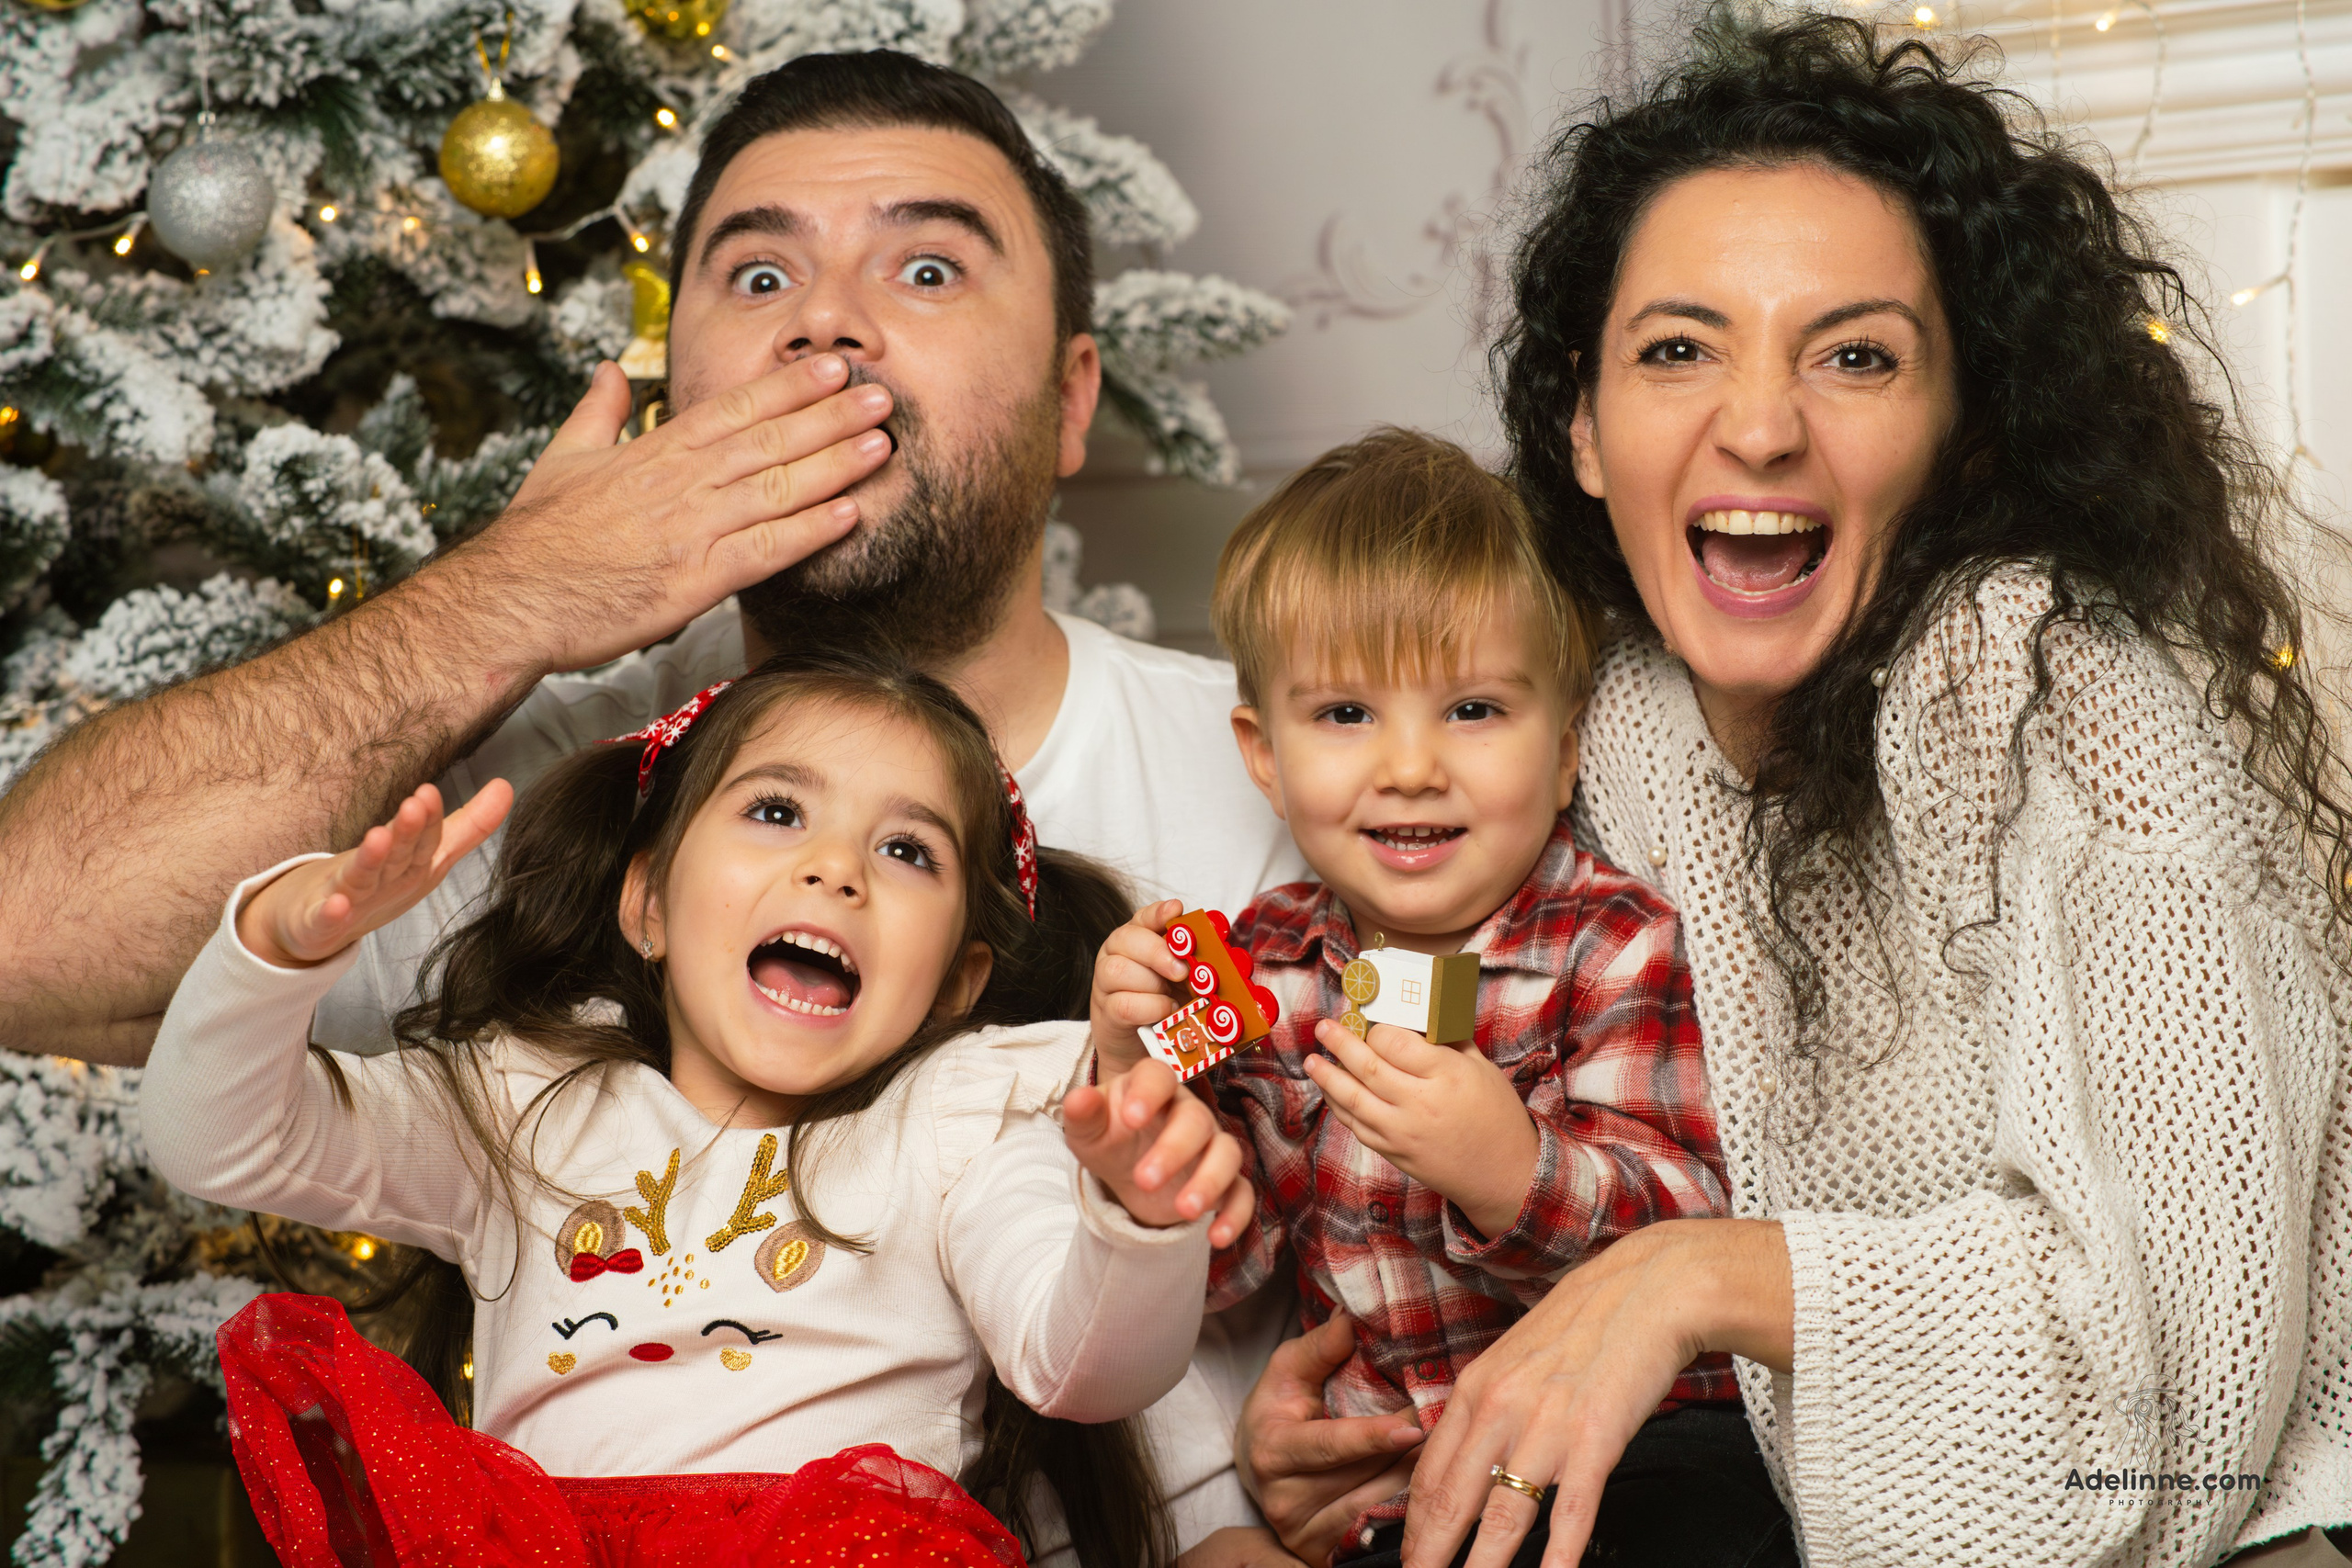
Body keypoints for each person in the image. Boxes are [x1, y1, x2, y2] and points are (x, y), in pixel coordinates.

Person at [0, 48, 1305, 1565]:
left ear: (1075, 398)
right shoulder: (557, 796)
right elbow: (32, 936)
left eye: (929, 265)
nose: (825, 322)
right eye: (759, 278)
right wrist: (506, 599)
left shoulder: (1283, 776)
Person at [1231, 13, 2352, 1568]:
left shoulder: (2051, 683)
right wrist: (1372, 1441)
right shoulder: (1603, 716)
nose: (1759, 424)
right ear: (1584, 423)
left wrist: (1695, 1276)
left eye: (1858, 355)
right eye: (1679, 348)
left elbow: (2197, 1395)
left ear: (1966, 438)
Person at [142, 649, 1258, 1567]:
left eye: (906, 850)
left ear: (957, 984)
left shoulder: (956, 1122)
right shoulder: (524, 1104)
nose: (836, 870)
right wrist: (272, 952)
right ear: (649, 904)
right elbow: (217, 1137)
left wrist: (1133, 1215)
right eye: (777, 810)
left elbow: (1085, 1367)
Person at [1090, 429, 1786, 1568]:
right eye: (1346, 715)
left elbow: (1689, 1224)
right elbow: (1228, 1267)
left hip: (1629, 1460)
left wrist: (1509, 1167)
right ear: (1263, 757)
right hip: (1404, 1500)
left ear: (1563, 753)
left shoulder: (1612, 942)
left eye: (1470, 711)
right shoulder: (1262, 968)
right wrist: (1139, 1077)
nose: (1410, 766)